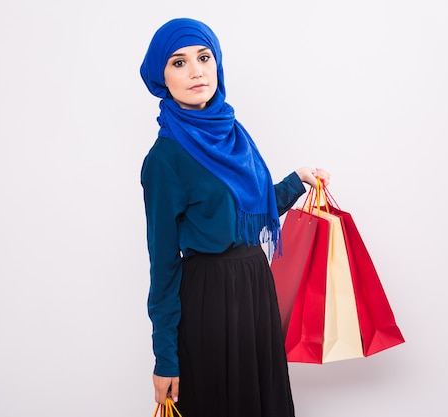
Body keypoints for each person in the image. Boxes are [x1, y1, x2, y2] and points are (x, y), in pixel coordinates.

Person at [139, 17, 330, 417]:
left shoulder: (233, 133)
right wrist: (165, 359)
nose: (195, 71)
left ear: (217, 64)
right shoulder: (165, 159)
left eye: (204, 57)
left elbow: (246, 212)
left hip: (255, 289)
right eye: (178, 63)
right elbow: (163, 266)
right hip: (210, 299)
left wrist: (295, 182)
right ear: (162, 78)